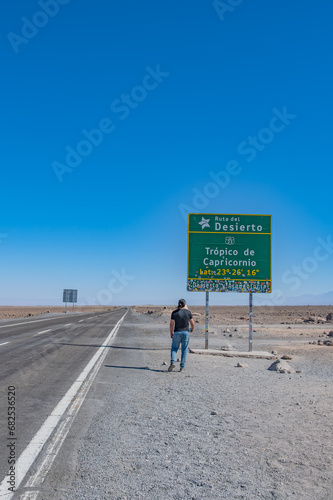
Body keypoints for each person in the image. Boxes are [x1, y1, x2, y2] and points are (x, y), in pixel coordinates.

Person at [168, 299, 195, 372]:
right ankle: (182, 367)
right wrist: (191, 329)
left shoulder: (174, 313)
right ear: (185, 305)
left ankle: (173, 361)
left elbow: (171, 324)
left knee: (174, 348)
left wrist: (171, 332)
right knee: (184, 350)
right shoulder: (188, 312)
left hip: (177, 332)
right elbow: (192, 323)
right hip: (186, 332)